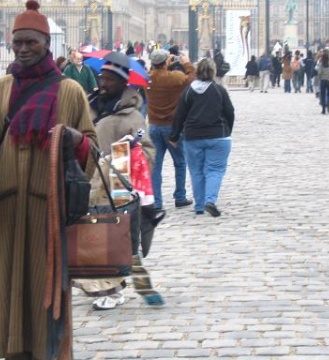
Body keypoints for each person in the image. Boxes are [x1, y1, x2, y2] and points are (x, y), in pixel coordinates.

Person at [0, 1, 97, 359]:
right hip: (7, 208)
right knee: (6, 280)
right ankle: (11, 351)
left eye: (31, 43)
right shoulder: (0, 89)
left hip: (49, 208)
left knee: (45, 284)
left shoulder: (70, 90)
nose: (24, 50)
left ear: (46, 44)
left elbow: (94, 148)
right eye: (18, 44)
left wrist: (77, 140)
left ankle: (49, 352)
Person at [75, 52, 156, 310]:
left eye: (110, 79)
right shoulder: (89, 105)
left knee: (112, 237)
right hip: (86, 182)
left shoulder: (133, 117)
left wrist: (125, 154)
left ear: (123, 83)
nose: (104, 83)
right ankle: (94, 283)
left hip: (115, 186)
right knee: (89, 236)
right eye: (102, 77)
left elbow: (147, 150)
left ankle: (113, 289)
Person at [169, 58, 234, 217]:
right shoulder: (219, 90)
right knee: (215, 170)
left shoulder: (188, 91)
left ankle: (199, 206)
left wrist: (174, 135)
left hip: (193, 136)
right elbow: (230, 112)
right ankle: (210, 200)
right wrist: (227, 130)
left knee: (196, 171)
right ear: (213, 72)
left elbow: (180, 115)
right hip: (218, 135)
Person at [145, 48, 195, 211]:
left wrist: (165, 60)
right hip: (172, 126)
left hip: (153, 126)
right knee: (180, 162)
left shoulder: (148, 79)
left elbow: (153, 71)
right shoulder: (174, 77)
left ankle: (157, 202)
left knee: (156, 166)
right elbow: (191, 79)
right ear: (166, 62)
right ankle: (180, 196)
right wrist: (186, 63)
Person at [317, 49, 329, 114]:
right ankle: (328, 105)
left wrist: (321, 78)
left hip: (323, 80)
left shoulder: (321, 64)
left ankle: (323, 108)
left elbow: (319, 73)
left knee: (322, 94)